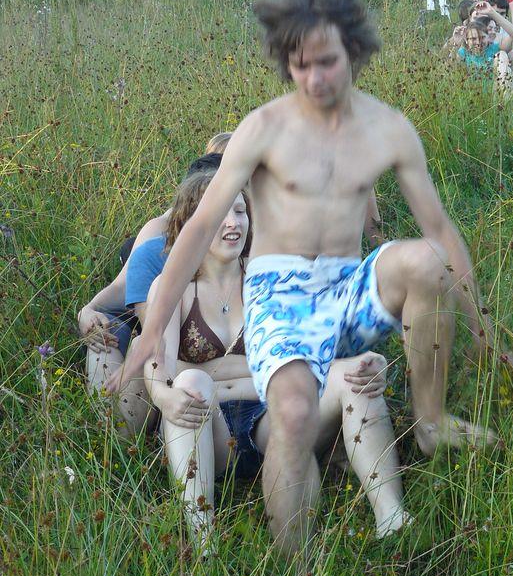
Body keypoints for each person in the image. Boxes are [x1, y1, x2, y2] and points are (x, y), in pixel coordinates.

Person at [110, 0, 513, 557]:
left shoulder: (387, 130)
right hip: (276, 310)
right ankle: (289, 568)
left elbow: (439, 229)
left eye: (326, 61)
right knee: (291, 404)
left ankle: (426, 428)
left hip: (340, 290)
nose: (313, 78)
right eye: (299, 66)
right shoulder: (261, 131)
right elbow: (198, 228)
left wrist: (480, 329)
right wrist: (152, 332)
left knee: (426, 260)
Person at [144, 169, 407, 550]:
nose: (233, 223)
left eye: (240, 211)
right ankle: (203, 541)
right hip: (209, 431)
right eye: (221, 213)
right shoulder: (173, 286)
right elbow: (159, 364)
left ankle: (392, 518)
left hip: (272, 422)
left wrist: (367, 362)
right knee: (189, 383)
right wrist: (163, 394)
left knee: (353, 375)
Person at [78, 149, 224, 435]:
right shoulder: (154, 251)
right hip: (155, 346)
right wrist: (86, 311)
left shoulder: (249, 251)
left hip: (192, 360)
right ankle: (112, 435)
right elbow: (162, 342)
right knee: (128, 345)